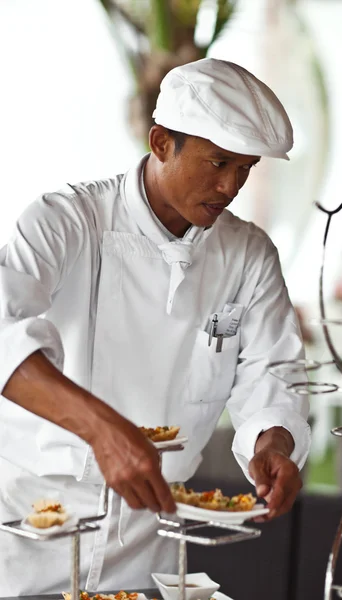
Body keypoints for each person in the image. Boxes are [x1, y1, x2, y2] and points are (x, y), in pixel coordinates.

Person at [0, 58, 310, 594]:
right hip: (29, 529)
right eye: (218, 163)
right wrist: (101, 430)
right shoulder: (67, 220)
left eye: (245, 169)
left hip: (152, 535)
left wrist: (273, 445)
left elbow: (273, 374)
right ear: (162, 141)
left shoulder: (249, 255)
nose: (230, 185)